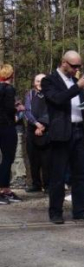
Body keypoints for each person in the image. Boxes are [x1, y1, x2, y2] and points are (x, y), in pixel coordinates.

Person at [40, 52, 84, 224]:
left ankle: (80, 211)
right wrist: (78, 87)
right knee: (58, 175)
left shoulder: (75, 82)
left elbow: (78, 108)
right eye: (74, 66)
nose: (77, 69)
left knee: (82, 174)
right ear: (64, 63)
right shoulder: (49, 81)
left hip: (80, 131)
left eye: (79, 66)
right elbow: (57, 100)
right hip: (61, 133)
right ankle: (56, 212)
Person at [0, 64, 25, 204]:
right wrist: (18, 107)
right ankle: (3, 189)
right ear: (11, 75)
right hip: (6, 127)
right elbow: (9, 109)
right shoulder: (9, 89)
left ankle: (5, 189)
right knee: (8, 158)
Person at [23, 74, 50, 194]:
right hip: (31, 130)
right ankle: (36, 184)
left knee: (47, 160)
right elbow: (27, 112)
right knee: (33, 160)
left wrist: (43, 125)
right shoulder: (29, 95)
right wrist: (36, 124)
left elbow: (51, 111)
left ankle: (48, 185)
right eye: (37, 81)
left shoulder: (51, 95)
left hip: (47, 130)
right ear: (34, 83)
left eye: (42, 81)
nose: (39, 83)